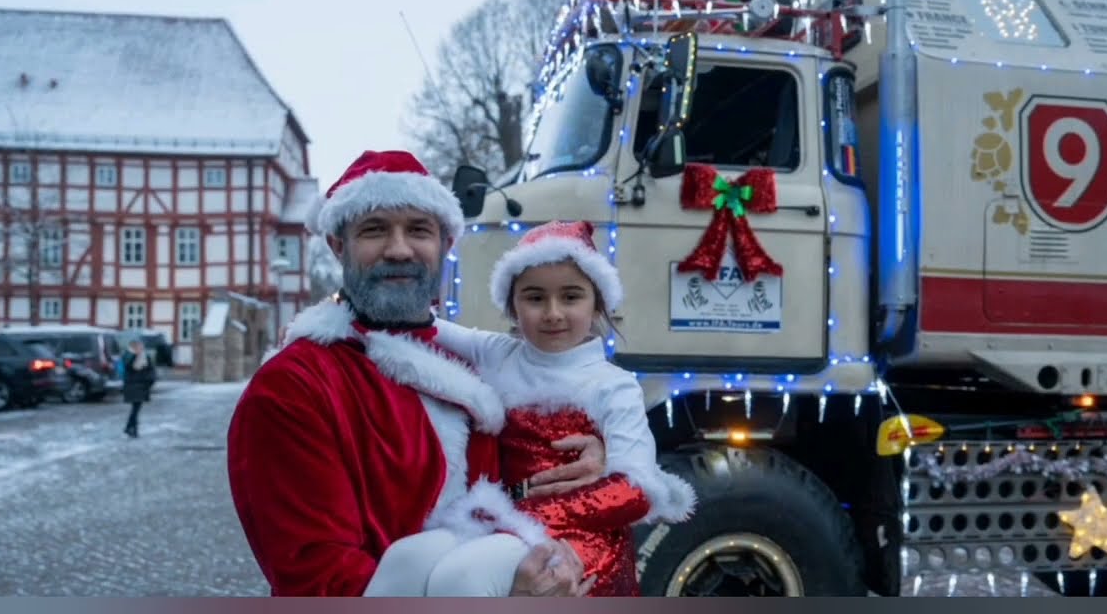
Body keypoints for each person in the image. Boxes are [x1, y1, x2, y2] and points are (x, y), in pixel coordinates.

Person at [226, 150, 607, 597]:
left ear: (445, 244)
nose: (399, 249)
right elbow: (318, 577)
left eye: (419, 230)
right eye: (374, 229)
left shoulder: (475, 362)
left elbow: (523, 480)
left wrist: (594, 453)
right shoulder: (295, 386)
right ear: (337, 244)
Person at [378, 220, 697, 597]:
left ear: (598, 304)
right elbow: (422, 327)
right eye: (534, 298)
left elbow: (637, 490)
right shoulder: (500, 353)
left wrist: (522, 516)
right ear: (512, 305)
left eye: (571, 296)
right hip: (500, 522)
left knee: (463, 576)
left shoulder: (613, 385)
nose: (553, 313)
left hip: (580, 542)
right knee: (407, 558)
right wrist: (334, 321)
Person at [121, 338, 155, 438]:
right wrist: (135, 355)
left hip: (142, 385)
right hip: (132, 385)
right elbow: (128, 366)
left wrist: (150, 381)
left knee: (136, 408)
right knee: (135, 408)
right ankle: (131, 429)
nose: (141, 347)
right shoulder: (128, 355)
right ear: (133, 346)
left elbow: (150, 368)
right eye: (138, 345)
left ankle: (131, 429)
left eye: (141, 345)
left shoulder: (144, 356)